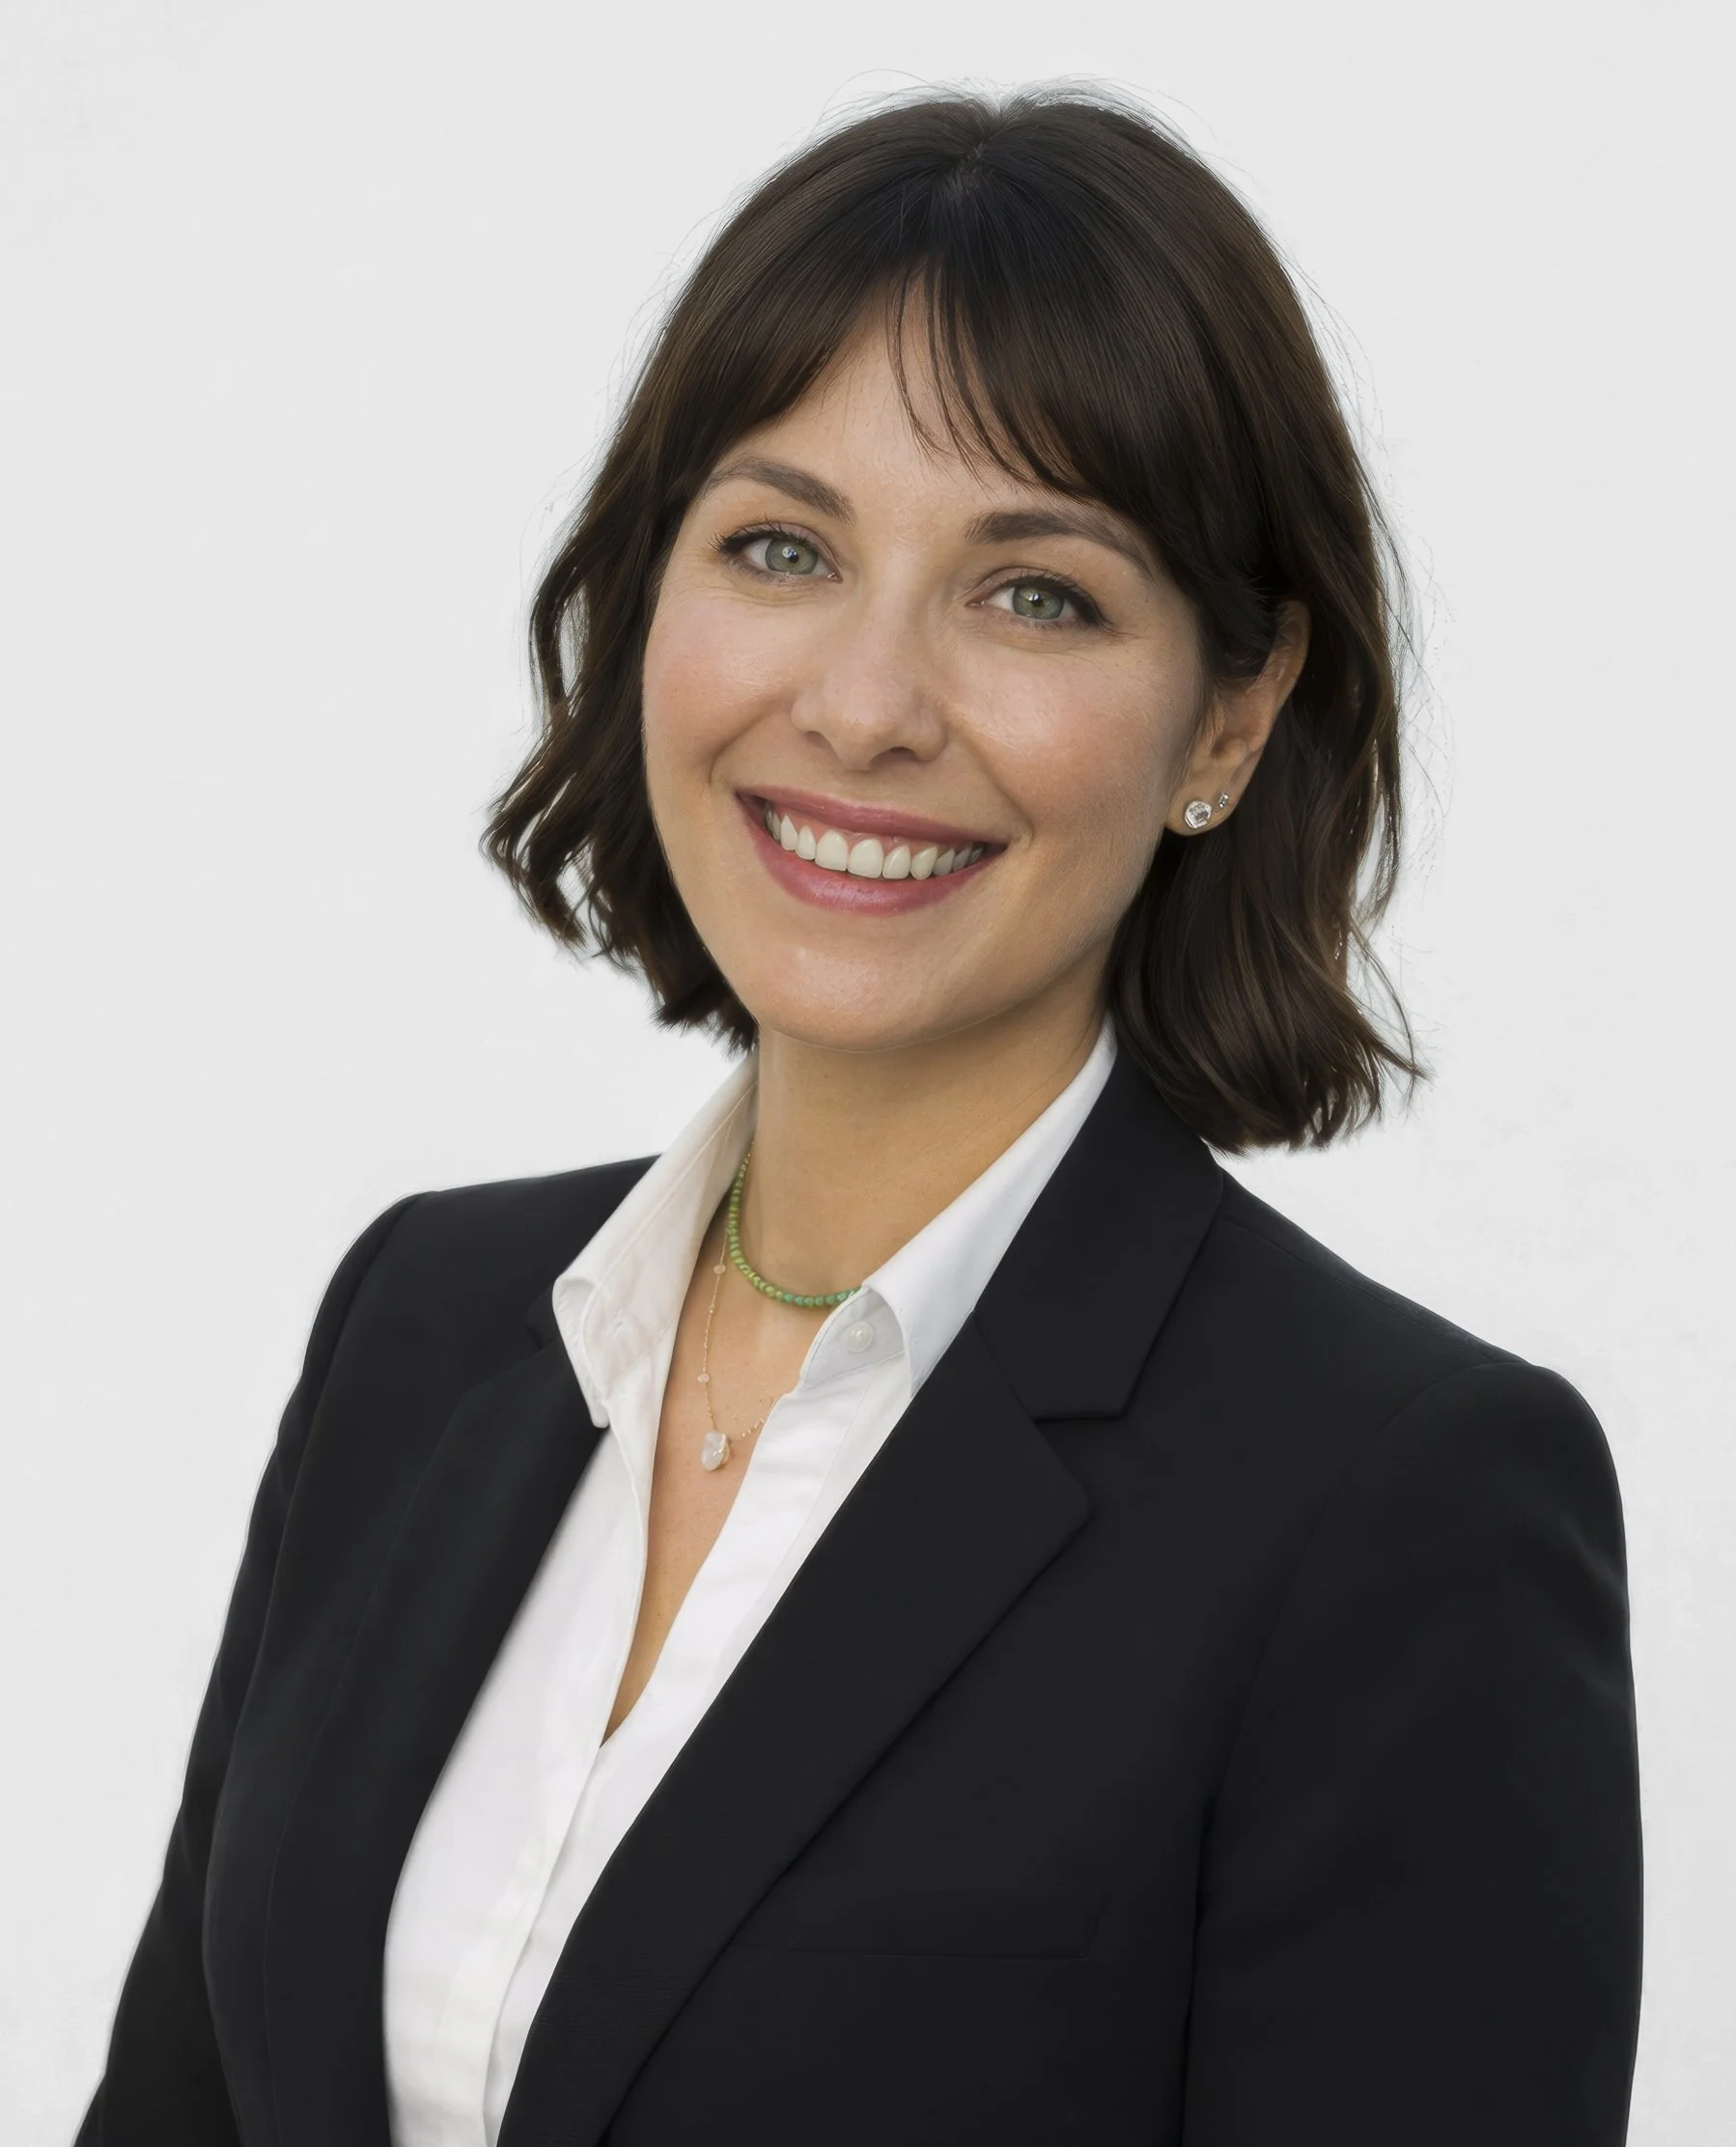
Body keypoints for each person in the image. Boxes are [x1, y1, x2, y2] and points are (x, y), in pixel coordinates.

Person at [75, 86, 1642, 2147]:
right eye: (782, 547)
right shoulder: (426, 1323)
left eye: (1033, 593)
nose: (863, 700)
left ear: (1232, 713)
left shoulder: (1393, 1508)